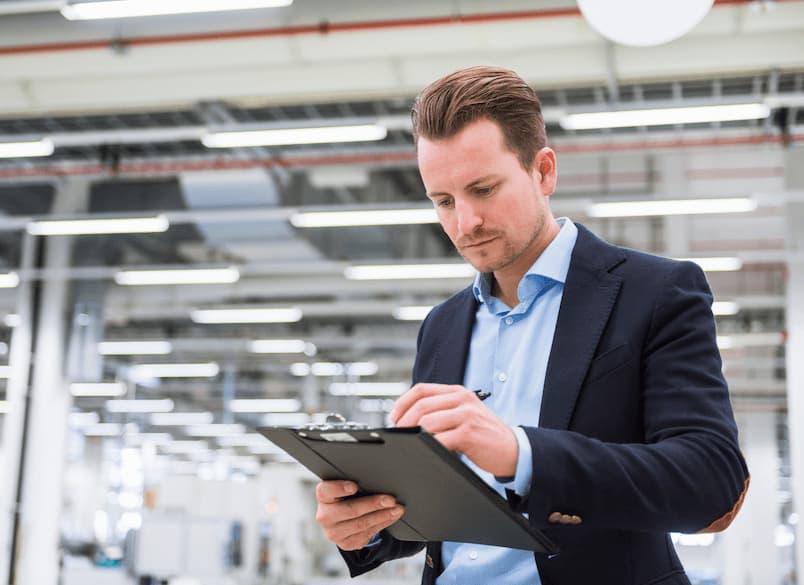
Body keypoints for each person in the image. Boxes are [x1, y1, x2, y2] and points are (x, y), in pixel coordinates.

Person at [313, 66, 749, 585]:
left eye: (483, 189)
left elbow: (709, 478)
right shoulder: (442, 325)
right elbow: (442, 512)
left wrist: (522, 453)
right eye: (444, 202)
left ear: (543, 172)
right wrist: (369, 525)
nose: (464, 223)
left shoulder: (654, 293)